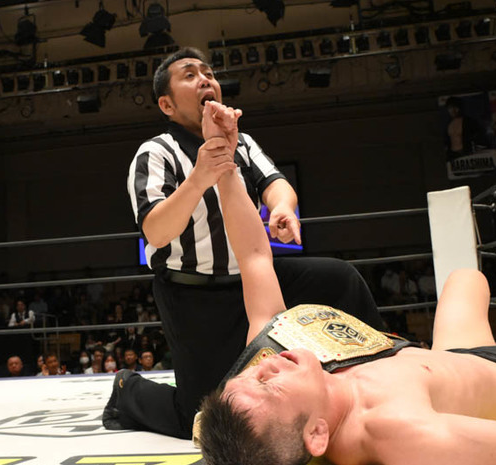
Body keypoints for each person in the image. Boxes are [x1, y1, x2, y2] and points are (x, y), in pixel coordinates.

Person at [189, 136, 496, 465]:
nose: (266, 366)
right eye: (269, 385)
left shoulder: (292, 368)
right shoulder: (395, 430)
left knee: (466, 278)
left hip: (457, 358)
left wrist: (224, 161)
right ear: (316, 435)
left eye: (249, 376)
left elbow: (255, 257)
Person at [103, 47, 382, 440]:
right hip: (193, 293)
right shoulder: (156, 152)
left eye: (208, 72)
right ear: (167, 104)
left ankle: (378, 371)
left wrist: (282, 208)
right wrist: (200, 176)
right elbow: (156, 232)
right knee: (201, 416)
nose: (205, 79)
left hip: (254, 279)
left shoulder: (243, 142)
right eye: (189, 75)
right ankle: (128, 390)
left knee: (339, 278)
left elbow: (276, 183)